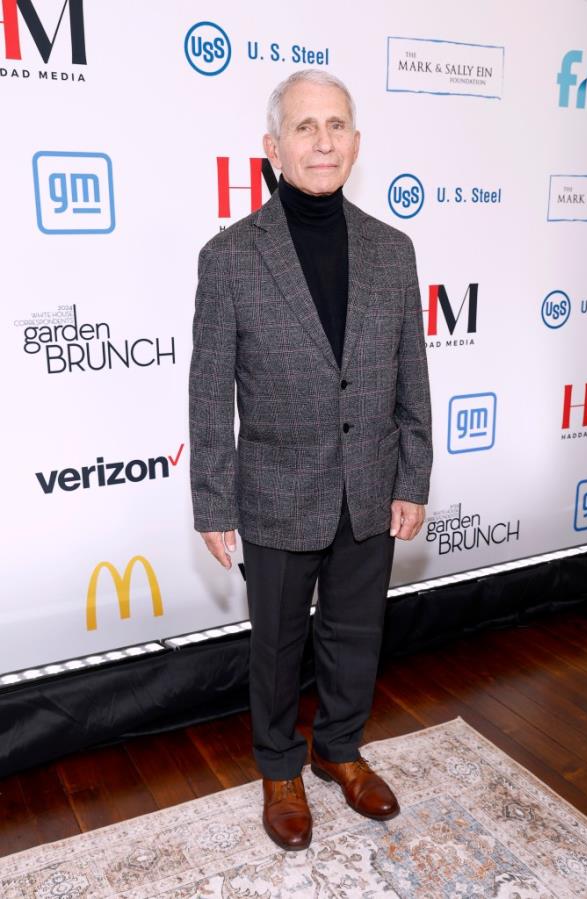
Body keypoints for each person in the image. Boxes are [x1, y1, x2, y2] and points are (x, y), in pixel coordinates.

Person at [189, 69, 433, 851]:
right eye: (304, 126)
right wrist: (214, 501)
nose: (321, 140)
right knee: (276, 643)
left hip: (369, 484)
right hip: (274, 490)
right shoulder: (229, 256)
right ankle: (280, 767)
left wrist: (412, 476)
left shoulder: (394, 251)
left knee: (357, 634)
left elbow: (411, 375)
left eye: (336, 125)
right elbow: (208, 388)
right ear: (273, 146)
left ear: (356, 144)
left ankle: (338, 746)